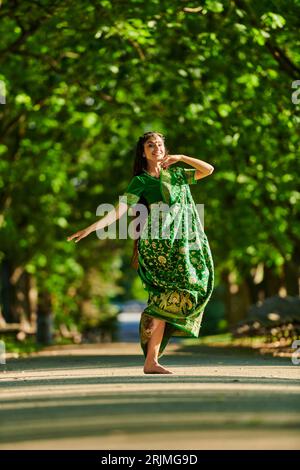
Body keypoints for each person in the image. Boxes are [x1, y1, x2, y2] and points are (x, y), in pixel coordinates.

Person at [67, 131, 214, 374]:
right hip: (157, 246)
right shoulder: (140, 181)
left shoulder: (177, 175)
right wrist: (92, 228)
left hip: (183, 246)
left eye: (159, 144)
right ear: (143, 152)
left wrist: (181, 157)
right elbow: (118, 211)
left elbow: (208, 169)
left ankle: (151, 360)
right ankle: (152, 359)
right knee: (164, 296)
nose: (156, 148)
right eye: (150, 145)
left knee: (190, 287)